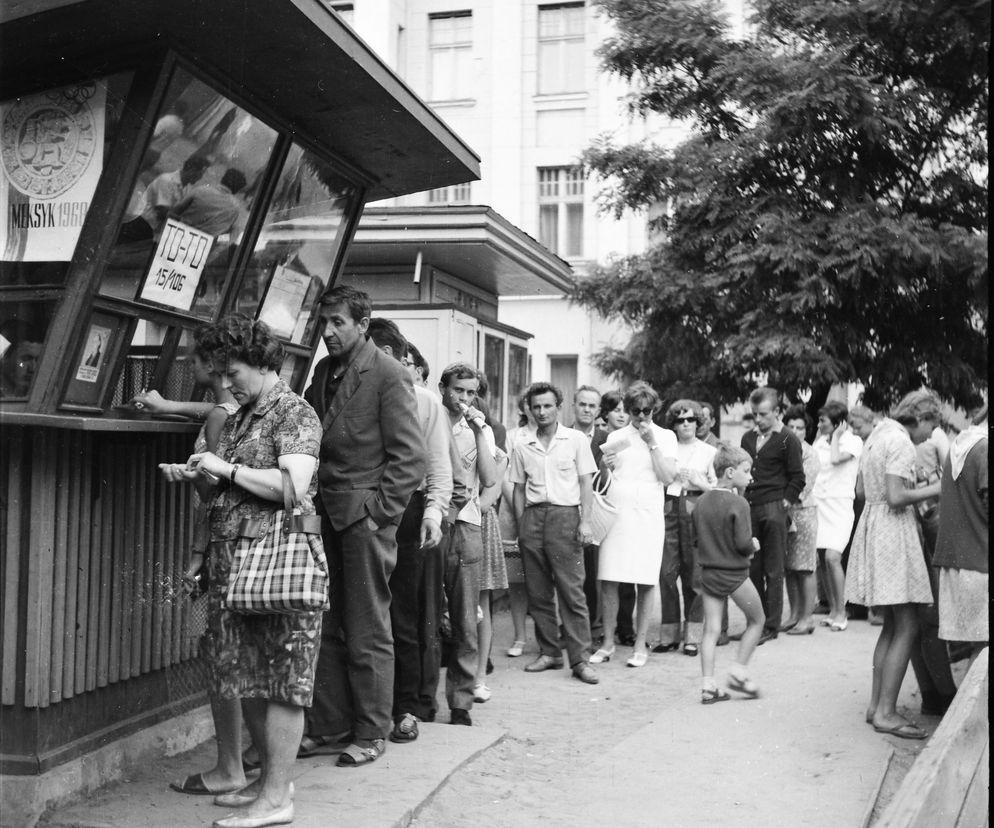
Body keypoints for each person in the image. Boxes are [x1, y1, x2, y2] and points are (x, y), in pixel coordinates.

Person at [160, 315, 323, 827]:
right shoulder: (239, 419)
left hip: (277, 562)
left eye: (232, 373)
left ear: (260, 361)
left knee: (283, 679)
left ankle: (276, 799)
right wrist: (197, 473)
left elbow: (292, 487)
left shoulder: (294, 413)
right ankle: (268, 783)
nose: (225, 385)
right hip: (235, 564)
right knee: (248, 676)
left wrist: (225, 469)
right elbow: (226, 488)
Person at [304, 286, 425, 767]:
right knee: (328, 624)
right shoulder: (321, 371)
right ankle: (331, 725)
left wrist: (378, 516)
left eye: (338, 322)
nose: (328, 331)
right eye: (324, 323)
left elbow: (410, 459)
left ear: (362, 321)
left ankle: (372, 731)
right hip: (325, 516)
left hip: (363, 521)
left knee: (368, 626)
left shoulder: (390, 374)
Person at [365, 320, 452, 744]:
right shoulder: (347, 393)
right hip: (360, 507)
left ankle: (406, 709)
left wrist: (433, 513)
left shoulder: (424, 401)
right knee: (363, 614)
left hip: (409, 510)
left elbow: (438, 465)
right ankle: (364, 712)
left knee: (405, 615)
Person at [845, 394, 940, 739]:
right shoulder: (901, 442)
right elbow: (897, 496)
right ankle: (886, 711)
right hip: (893, 534)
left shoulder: (878, 435)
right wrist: (937, 488)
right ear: (923, 417)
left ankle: (876, 705)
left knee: (891, 625)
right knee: (908, 625)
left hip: (874, 527)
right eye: (931, 427)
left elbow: (860, 492)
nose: (930, 436)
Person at [510, 381, 600, 685]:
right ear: (530, 410)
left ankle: (580, 659)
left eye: (547, 405)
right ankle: (549, 652)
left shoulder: (574, 439)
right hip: (534, 518)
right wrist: (523, 525)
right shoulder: (522, 444)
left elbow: (586, 483)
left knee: (572, 592)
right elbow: (518, 488)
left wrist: (585, 522)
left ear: (558, 407)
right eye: (536, 407)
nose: (542, 411)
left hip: (565, 517)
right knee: (538, 593)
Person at [591, 382, 677, 667]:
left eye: (647, 411)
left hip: (648, 514)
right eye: (636, 411)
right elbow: (604, 480)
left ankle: (640, 644)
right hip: (618, 512)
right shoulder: (616, 436)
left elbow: (667, 478)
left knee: (645, 579)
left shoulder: (666, 437)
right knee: (610, 577)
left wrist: (652, 442)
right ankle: (607, 643)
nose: (641, 417)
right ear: (628, 410)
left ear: (655, 410)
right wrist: (606, 464)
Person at [438, 362, 498, 725]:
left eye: (470, 392)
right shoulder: (430, 418)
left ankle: (460, 701)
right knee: (428, 613)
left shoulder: (480, 428)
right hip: (433, 522)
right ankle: (420, 698)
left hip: (466, 527)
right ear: (443, 388)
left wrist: (478, 430)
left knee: (464, 615)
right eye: (457, 390)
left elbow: (490, 479)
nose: (463, 398)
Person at [694, 444, 765, 704]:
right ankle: (739, 671)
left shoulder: (700, 502)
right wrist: (754, 545)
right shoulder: (739, 503)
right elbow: (744, 544)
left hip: (709, 574)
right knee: (757, 620)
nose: (750, 476)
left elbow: (696, 539)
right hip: (734, 575)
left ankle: (708, 686)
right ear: (731, 471)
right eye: (747, 471)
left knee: (711, 630)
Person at [740, 387, 805, 643]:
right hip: (751, 506)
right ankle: (755, 623)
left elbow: (798, 477)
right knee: (752, 567)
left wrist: (784, 503)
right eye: (755, 414)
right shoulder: (747, 438)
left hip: (774, 507)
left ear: (777, 412)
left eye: (764, 414)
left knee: (774, 569)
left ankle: (771, 625)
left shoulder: (789, 438)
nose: (758, 419)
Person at [657, 399, 716, 656]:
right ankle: (669, 635)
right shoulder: (666, 447)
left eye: (690, 419)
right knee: (667, 573)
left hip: (695, 507)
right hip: (669, 506)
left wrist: (698, 481)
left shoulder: (708, 451)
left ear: (698, 422)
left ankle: (692, 637)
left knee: (695, 576)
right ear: (673, 424)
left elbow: (717, 486)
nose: (686, 424)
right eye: (680, 420)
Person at [933, 404, 988, 667]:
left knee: (978, 650)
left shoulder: (962, 444)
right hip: (980, 563)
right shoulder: (985, 448)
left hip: (960, 563)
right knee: (984, 654)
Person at [812, 401, 863, 630]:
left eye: (823, 420)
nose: (819, 424)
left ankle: (842, 612)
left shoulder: (853, 441)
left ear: (838, 423)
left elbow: (835, 460)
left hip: (840, 504)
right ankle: (833, 609)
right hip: (820, 503)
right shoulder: (819, 441)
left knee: (833, 557)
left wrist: (835, 437)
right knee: (823, 559)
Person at [591, 390, 637, 646]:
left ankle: (626, 627)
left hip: (627, 509)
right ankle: (599, 625)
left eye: (624, 410)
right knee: (603, 572)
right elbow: (599, 481)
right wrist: (605, 466)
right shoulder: (600, 439)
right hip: (602, 509)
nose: (622, 414)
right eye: (616, 409)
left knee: (627, 574)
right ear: (605, 413)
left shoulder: (630, 439)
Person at [472, 392, 509, 705]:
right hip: (456, 520)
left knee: (482, 602)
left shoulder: (497, 454)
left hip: (477, 525)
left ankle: (480, 675)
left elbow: (488, 498)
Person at [781, 405, 821, 635]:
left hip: (802, 511)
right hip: (785, 512)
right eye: (791, 426)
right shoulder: (784, 449)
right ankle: (794, 614)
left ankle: (807, 618)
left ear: (807, 431)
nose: (795, 431)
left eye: (800, 427)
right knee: (790, 567)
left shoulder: (809, 453)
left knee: (805, 566)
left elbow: (803, 487)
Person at [502, 396, 533, 657]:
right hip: (515, 512)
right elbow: (506, 477)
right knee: (518, 580)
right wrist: (521, 512)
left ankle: (550, 636)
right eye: (531, 405)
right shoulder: (513, 437)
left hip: (545, 511)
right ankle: (520, 637)